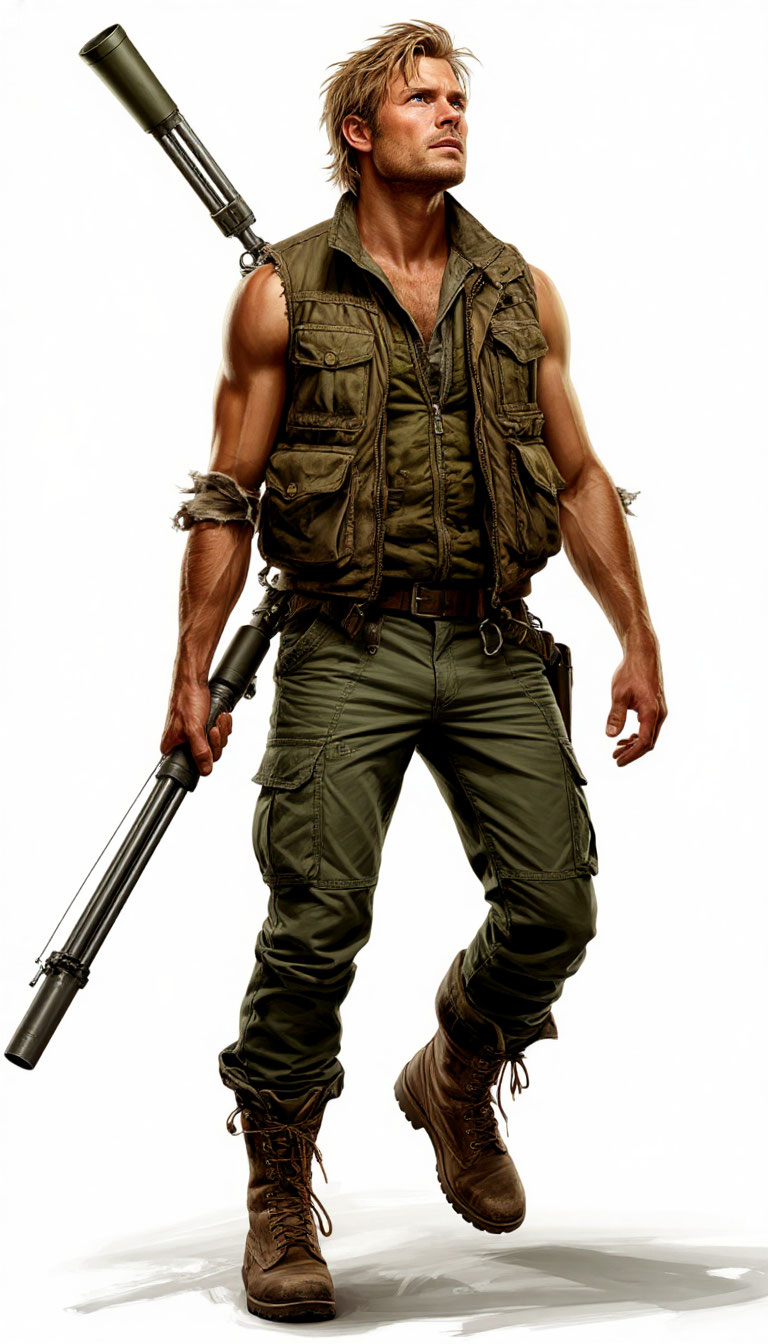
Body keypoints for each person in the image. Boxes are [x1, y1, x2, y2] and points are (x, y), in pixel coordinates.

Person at [161, 20, 667, 1323]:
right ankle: (279, 1190)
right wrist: (191, 668)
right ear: (358, 132)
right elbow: (228, 491)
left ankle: (457, 1070)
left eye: (456, 99)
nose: (450, 116)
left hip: (494, 641)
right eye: (420, 100)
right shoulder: (282, 293)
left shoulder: (517, 290)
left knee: (556, 907)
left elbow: (578, 472)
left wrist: (637, 633)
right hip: (345, 645)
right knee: (316, 917)